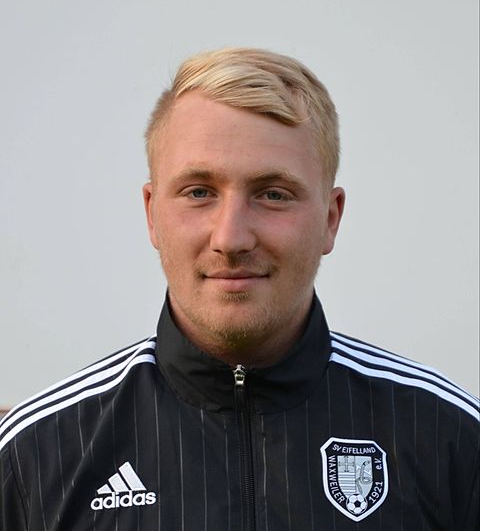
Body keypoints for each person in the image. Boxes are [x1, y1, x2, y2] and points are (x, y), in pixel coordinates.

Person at [0, 47, 478, 531]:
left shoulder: (450, 439)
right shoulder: (34, 454)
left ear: (331, 219)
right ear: (151, 213)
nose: (230, 239)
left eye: (273, 194)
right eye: (199, 192)